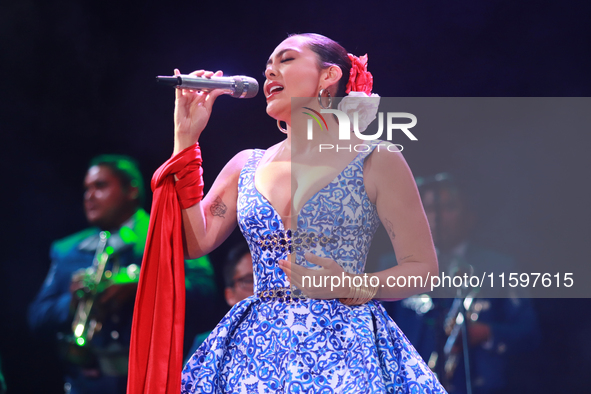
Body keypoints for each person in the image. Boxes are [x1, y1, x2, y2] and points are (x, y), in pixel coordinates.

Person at [129, 33, 446, 394]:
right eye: (267, 67)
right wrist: (185, 139)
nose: (269, 72)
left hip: (343, 349)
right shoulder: (245, 165)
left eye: (286, 60)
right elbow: (191, 242)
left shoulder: (375, 158)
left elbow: (423, 269)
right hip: (255, 351)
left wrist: (355, 285)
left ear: (328, 77)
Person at [28, 155, 219, 394]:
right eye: (86, 188)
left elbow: (207, 293)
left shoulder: (171, 233)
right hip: (87, 384)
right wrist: (73, 302)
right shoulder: (67, 250)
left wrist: (143, 285)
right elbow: (37, 317)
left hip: (153, 381)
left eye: (101, 186)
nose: (89, 196)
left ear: (131, 190)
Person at [381, 174, 540, 394]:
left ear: (470, 216)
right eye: (428, 208)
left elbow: (528, 333)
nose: (437, 217)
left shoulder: (498, 266)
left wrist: (485, 333)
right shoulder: (393, 265)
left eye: (449, 207)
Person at [185, 242, 254, 358]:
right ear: (229, 295)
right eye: (248, 280)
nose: (259, 289)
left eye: (265, 281)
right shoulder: (207, 345)